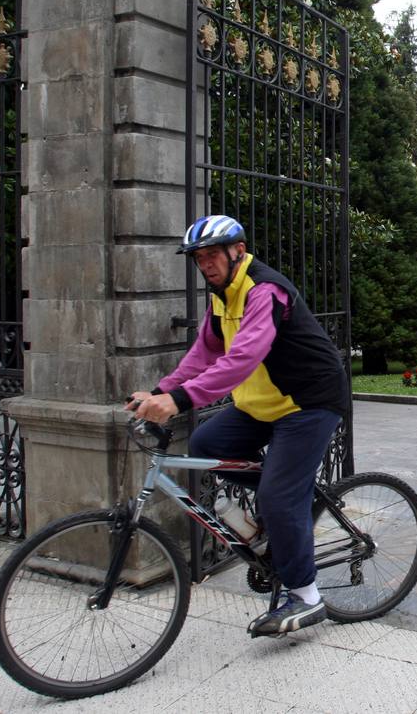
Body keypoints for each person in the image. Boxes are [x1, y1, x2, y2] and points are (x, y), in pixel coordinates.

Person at [125, 214, 350, 636]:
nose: (205, 264)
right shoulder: (221, 295)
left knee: (279, 495)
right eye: (198, 258)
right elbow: (203, 353)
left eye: (212, 255)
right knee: (208, 443)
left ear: (238, 252)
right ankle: (281, 506)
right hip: (262, 404)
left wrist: (178, 401)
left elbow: (243, 357)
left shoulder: (264, 290)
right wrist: (160, 390)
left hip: (308, 403)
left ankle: (306, 597)